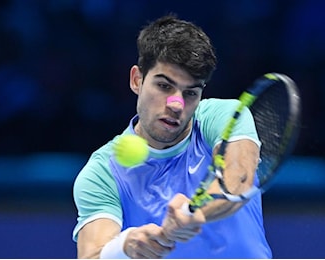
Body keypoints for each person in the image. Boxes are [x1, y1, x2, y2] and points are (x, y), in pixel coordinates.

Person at [72, 14, 272, 259]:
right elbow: (91, 255)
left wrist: (195, 212)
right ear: (137, 80)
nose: (177, 104)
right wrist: (123, 248)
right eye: (164, 86)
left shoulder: (224, 117)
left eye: (190, 93)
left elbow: (238, 177)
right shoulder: (103, 171)